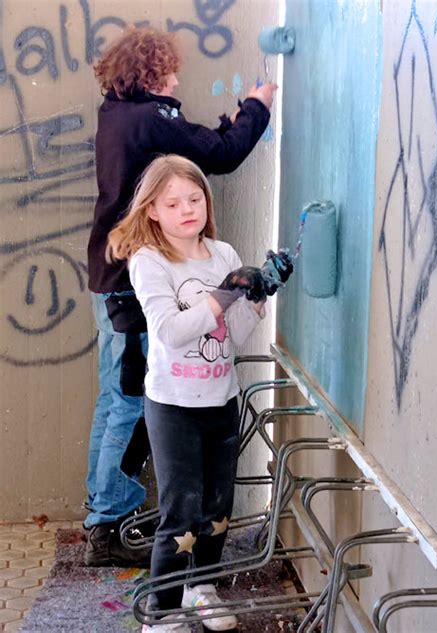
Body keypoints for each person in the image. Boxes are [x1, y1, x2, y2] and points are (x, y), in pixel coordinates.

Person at [85, 25, 277, 567]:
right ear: (152, 74)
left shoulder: (115, 113)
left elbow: (185, 143)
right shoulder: (153, 116)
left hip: (109, 275)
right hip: (134, 283)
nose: (176, 81)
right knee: (128, 401)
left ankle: (102, 511)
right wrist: (257, 107)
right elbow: (221, 152)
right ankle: (108, 525)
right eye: (169, 71)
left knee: (113, 396)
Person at [107, 155, 292, 632]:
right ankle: (162, 612)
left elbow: (233, 335)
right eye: (172, 203)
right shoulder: (149, 261)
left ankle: (201, 590)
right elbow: (169, 331)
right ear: (152, 210)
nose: (187, 209)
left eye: (194, 199)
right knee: (181, 512)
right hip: (173, 406)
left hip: (220, 400)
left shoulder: (223, 253)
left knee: (217, 510)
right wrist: (224, 294)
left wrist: (260, 295)